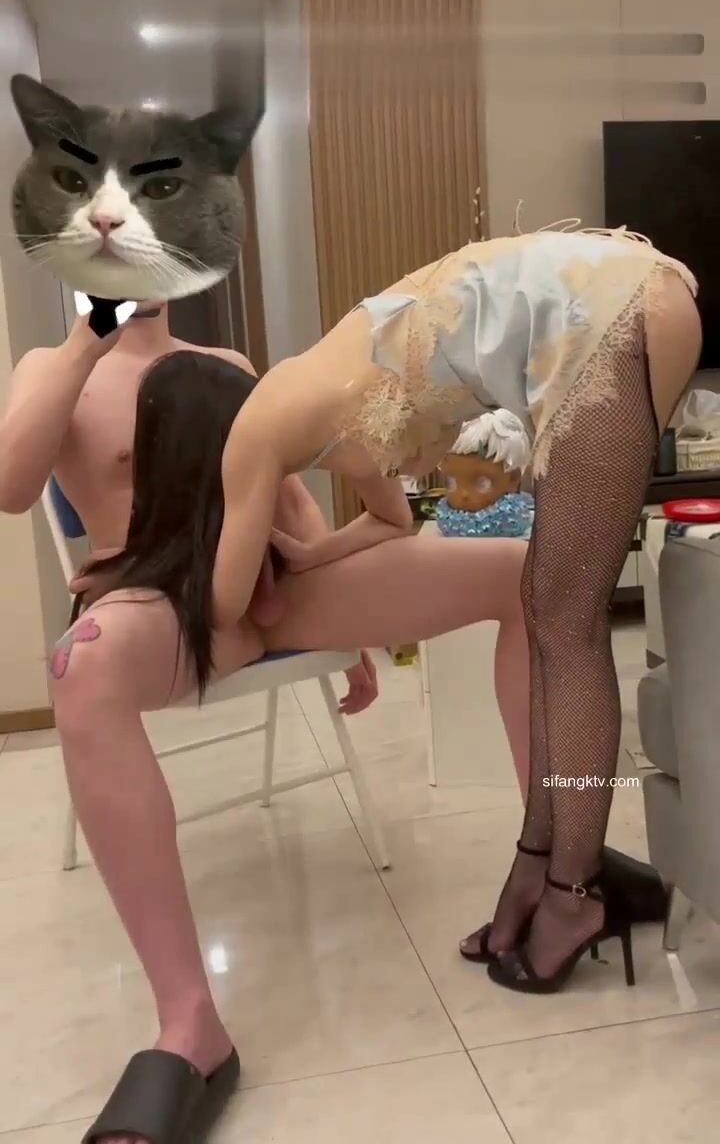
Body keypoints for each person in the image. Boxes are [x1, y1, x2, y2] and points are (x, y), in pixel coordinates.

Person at [0, 302, 531, 1144]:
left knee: (529, 575)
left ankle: (556, 873)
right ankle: (190, 1024)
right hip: (166, 603)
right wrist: (84, 340)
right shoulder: (58, 366)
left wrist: (348, 635)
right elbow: (9, 487)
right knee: (82, 664)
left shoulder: (231, 363)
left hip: (276, 582)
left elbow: (291, 502)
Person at [209, 225, 701, 997]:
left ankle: (574, 894)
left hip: (607, 311)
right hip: (612, 300)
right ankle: (542, 868)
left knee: (565, 622)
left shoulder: (250, 438)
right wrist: (310, 556)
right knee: (548, 611)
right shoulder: (307, 395)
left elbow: (226, 606)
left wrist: (150, 570)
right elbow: (390, 520)